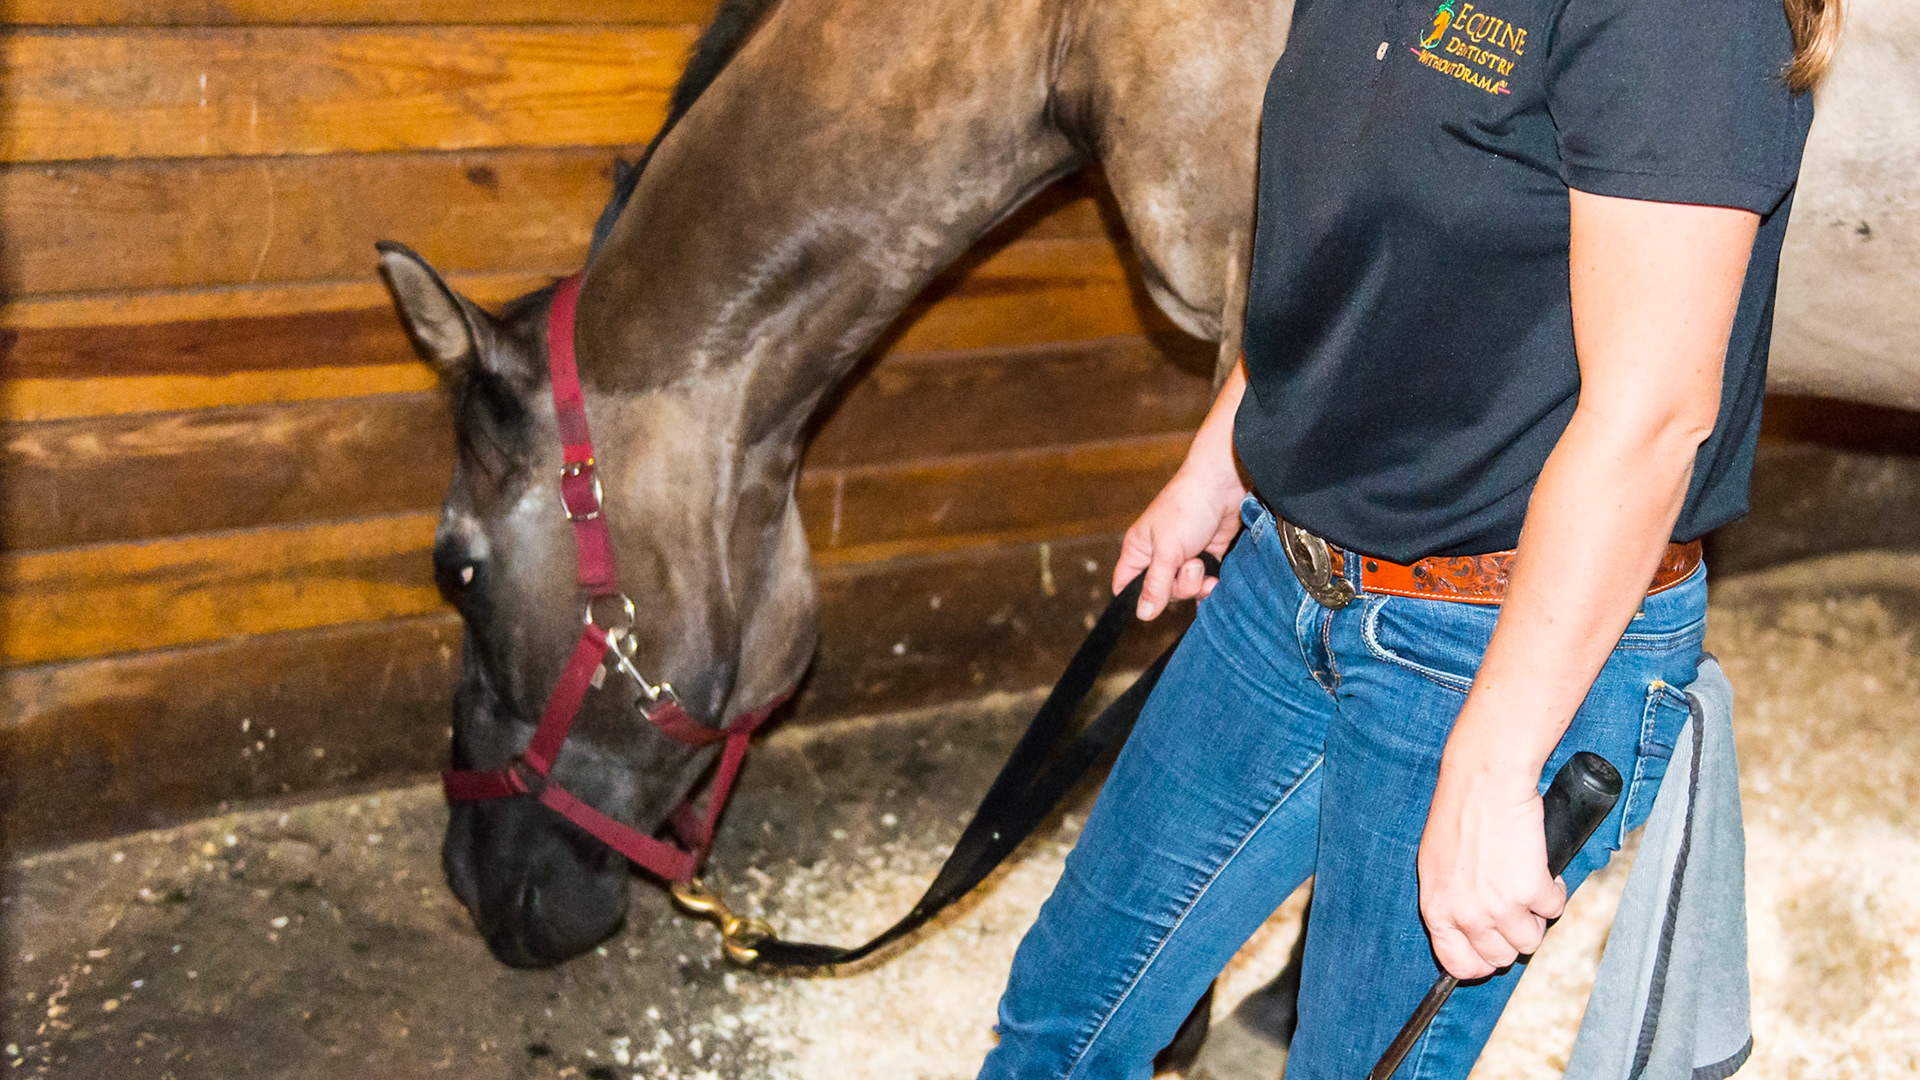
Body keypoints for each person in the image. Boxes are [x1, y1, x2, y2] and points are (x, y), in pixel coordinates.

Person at [977, 0, 1834, 1073]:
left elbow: (1653, 416)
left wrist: (1496, 760)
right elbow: (1355, 241)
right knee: (1063, 1011)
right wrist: (1226, 454)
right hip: (1291, 575)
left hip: (1497, 632)